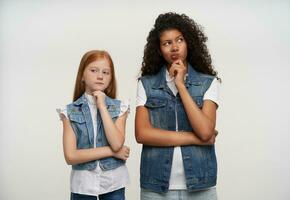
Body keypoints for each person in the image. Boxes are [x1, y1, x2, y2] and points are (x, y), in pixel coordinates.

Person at [135, 12, 220, 200]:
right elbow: (142, 134)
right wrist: (195, 138)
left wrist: (181, 85)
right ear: (159, 49)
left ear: (188, 42)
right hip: (156, 187)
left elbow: (206, 131)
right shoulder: (146, 84)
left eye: (179, 40)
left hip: (200, 185)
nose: (174, 47)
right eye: (167, 43)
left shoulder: (208, 83)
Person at [57, 50, 130, 200]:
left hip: (113, 184)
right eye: (93, 70)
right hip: (82, 186)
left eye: (106, 72)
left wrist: (102, 106)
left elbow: (117, 143)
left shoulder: (120, 108)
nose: (100, 76)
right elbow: (71, 156)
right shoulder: (69, 112)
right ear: (82, 76)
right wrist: (112, 152)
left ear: (111, 78)